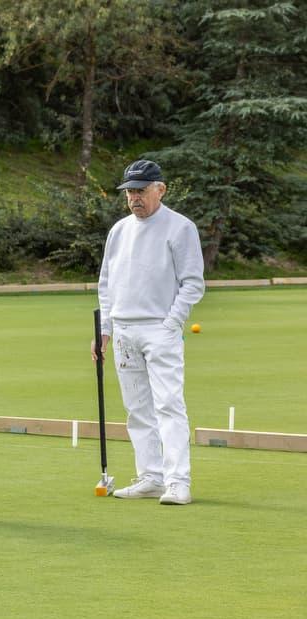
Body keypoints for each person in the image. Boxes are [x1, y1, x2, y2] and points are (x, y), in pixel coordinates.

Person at [93, 159, 205, 505]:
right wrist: (105, 329)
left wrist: (172, 322)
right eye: (129, 192)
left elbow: (192, 283)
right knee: (137, 409)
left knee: (169, 404)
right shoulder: (119, 230)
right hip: (124, 331)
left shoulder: (180, 228)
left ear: (160, 189)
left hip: (160, 328)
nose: (134, 198)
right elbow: (106, 283)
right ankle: (151, 476)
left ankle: (178, 482)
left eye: (141, 190)